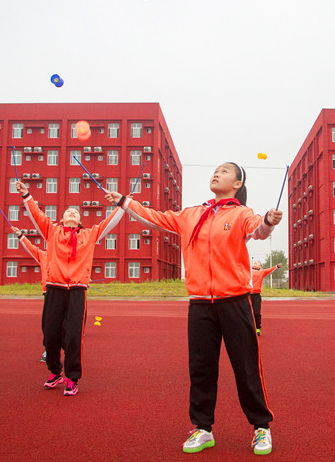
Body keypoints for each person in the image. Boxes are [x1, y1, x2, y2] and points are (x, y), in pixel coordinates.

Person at [108, 162, 281, 456]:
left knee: (246, 368)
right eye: (216, 170)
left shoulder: (241, 214)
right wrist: (126, 202)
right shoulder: (191, 214)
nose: (217, 173)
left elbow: (259, 231)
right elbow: (155, 219)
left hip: (235, 302)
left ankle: (261, 427)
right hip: (200, 304)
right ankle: (203, 428)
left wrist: (267, 220)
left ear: (238, 184)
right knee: (200, 370)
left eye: (225, 171)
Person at [18, 180, 124, 397]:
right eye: (68, 212)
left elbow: (110, 221)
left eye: (75, 212)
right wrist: (27, 195)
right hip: (54, 289)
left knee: (74, 336)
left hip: (77, 291)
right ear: (62, 218)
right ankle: (55, 372)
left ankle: (72, 378)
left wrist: (122, 203)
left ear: (80, 220)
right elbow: (36, 215)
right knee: (50, 335)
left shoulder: (90, 235)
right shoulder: (52, 232)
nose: (72, 213)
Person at [14, 226, 48, 363]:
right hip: (49, 292)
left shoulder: (66, 255)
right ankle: (49, 350)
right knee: (48, 324)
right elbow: (31, 248)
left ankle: (68, 351)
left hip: (66, 290)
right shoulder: (44, 255)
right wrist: (21, 235)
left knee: (66, 324)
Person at [250, 260, 282, 335]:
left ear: (260, 266)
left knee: (256, 313)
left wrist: (277, 266)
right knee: (246, 313)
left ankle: (257, 328)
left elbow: (270, 270)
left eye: (257, 263)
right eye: (254, 262)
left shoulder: (262, 272)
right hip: (247, 295)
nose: (255, 263)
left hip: (256, 295)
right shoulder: (248, 272)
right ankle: (247, 329)